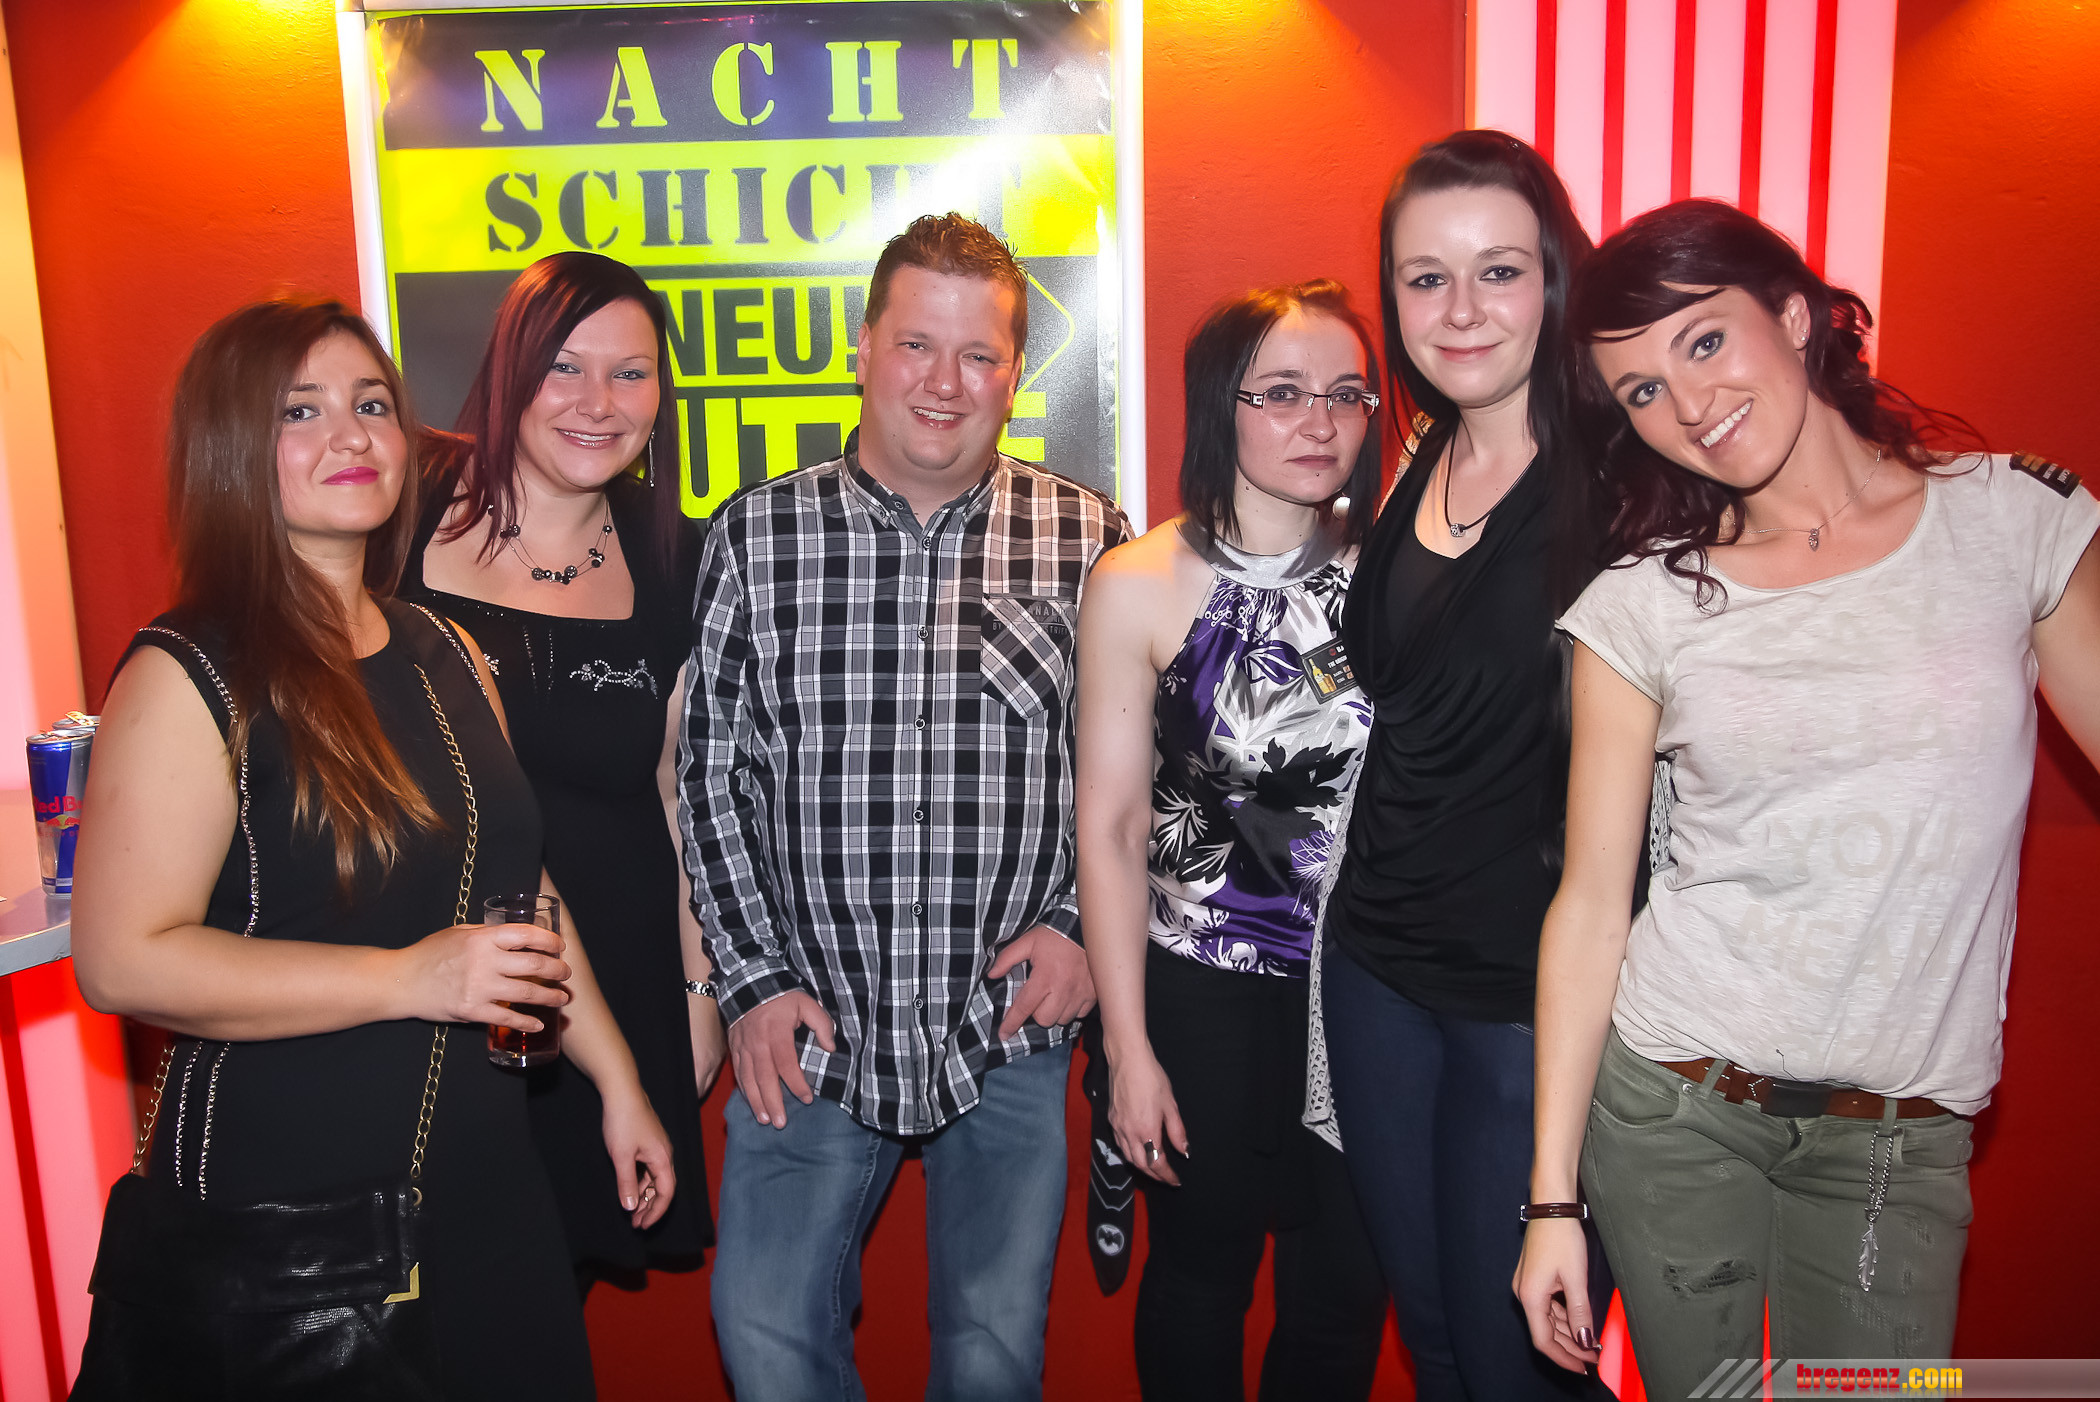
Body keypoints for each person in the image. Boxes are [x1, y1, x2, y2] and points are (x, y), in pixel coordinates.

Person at [1515, 199, 2100, 1395]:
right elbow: (1590, 903)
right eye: (1642, 390)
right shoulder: (1641, 604)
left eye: (1704, 341)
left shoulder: (2011, 521)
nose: (1689, 404)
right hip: (1674, 1108)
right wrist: (1551, 1201)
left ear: (1793, 315)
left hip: (1899, 1138)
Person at [69, 298, 676, 1398]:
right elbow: (122, 961)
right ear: (230, 447)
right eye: (300, 411)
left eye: (371, 405)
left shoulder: (448, 648)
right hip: (290, 1220)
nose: (350, 435)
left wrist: (616, 1078)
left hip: (485, 1182)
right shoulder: (186, 671)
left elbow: (521, 883)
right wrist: (411, 978)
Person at [678, 212, 1129, 1402]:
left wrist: (1081, 928)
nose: (944, 382)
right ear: (864, 347)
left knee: (994, 1351)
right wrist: (750, 981)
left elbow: (1138, 768)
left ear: (1015, 375)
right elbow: (714, 777)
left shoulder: (1090, 540)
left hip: (1009, 1022)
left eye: (979, 354)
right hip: (811, 1021)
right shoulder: (755, 536)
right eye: (917, 345)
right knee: (764, 1332)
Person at [1309, 130, 1613, 1402]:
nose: (1462, 310)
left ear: (1554, 278)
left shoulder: (1621, 480)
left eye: (1499, 271)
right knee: (1433, 1340)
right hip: (1376, 968)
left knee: (1515, 1366)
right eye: (1425, 278)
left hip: (1525, 998)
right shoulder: (1420, 456)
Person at [1077, 279, 1390, 1400]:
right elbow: (1112, 826)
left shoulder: (1400, 569)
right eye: (1284, 393)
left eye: (1347, 394)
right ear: (1223, 406)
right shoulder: (1140, 581)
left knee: (1344, 1297)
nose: (1321, 423)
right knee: (1201, 1281)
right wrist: (1128, 1049)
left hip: (1376, 994)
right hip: (1203, 990)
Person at [400, 251, 717, 1283]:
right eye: (564, 368)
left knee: (547, 1299)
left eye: (631, 373)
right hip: (416, 980)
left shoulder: (679, 557)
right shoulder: (398, 517)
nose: (598, 402)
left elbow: (681, 797)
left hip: (607, 987)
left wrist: (697, 997)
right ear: (509, 372)